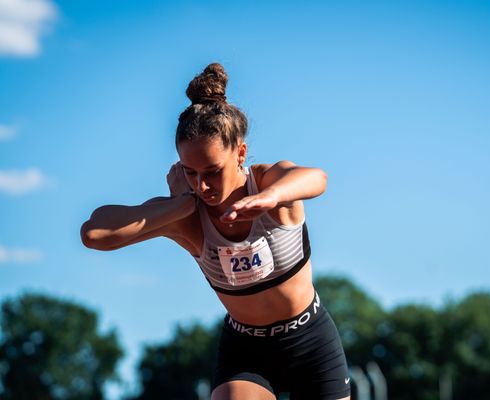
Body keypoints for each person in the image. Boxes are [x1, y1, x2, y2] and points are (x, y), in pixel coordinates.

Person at [80, 63, 351, 400]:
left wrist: (269, 197)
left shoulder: (268, 184)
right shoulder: (189, 217)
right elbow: (94, 234)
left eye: (212, 171)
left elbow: (317, 178)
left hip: (310, 341)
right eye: (191, 173)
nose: (203, 185)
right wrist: (179, 204)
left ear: (240, 153)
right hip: (246, 352)